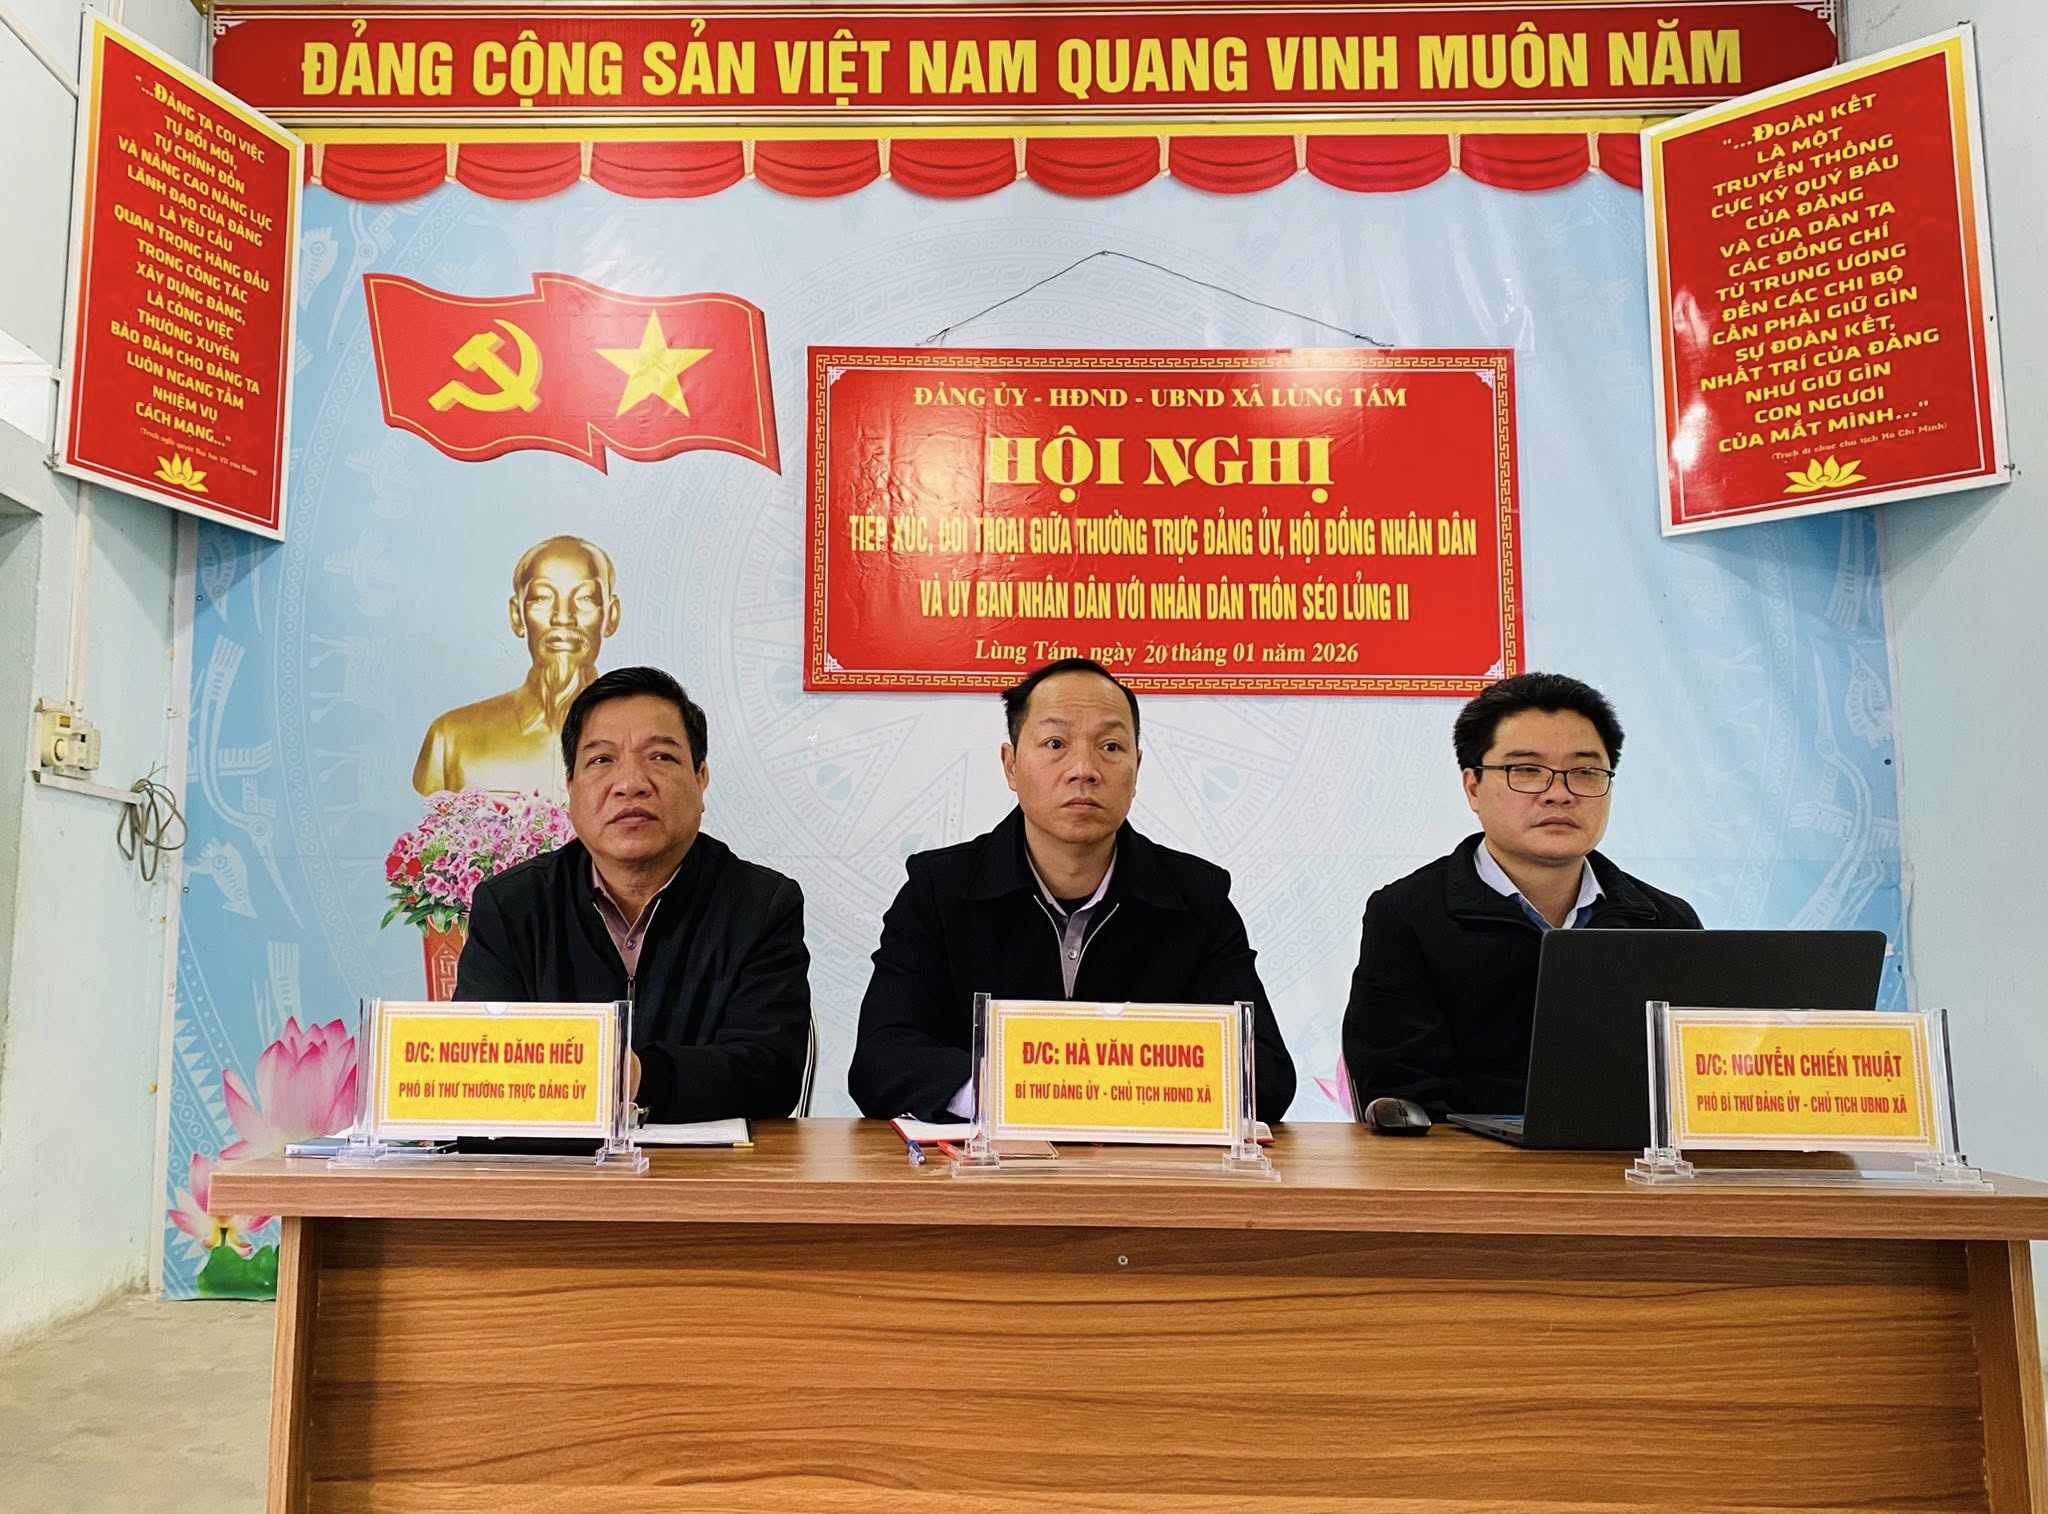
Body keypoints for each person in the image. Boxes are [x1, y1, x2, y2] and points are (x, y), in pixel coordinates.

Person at [850, 657, 1296, 1124]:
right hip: (982, 1168)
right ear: (1010, 766)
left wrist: (1095, 1093)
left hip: (1144, 1167)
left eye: (1110, 746)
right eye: (1055, 744)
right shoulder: (938, 891)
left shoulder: (1198, 898)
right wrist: (1011, 1094)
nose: (1083, 769)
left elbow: (1265, 1075)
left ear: (1137, 767)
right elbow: (880, 1061)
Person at [454, 666, 811, 1121]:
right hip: (556, 1163)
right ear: (571, 786)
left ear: (701, 779)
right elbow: (481, 1065)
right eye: (602, 760)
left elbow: (771, 1073)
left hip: (710, 1164)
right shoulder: (512, 906)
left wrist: (633, 1077)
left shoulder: (761, 905)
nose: (631, 783)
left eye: (661, 757)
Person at [1342, 671, 1701, 1118]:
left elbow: (1693, 1085)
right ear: (1473, 787)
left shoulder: (1665, 922)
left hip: (1629, 1159)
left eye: (1585, 772)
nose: (1559, 794)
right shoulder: (1407, 916)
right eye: (1527, 771)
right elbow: (1401, 1092)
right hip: (1470, 1160)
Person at [412, 535, 622, 797]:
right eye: (542, 598)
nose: (563, 617)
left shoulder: (648, 741)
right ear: (516, 616)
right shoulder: (451, 739)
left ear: (612, 616)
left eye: (585, 598)